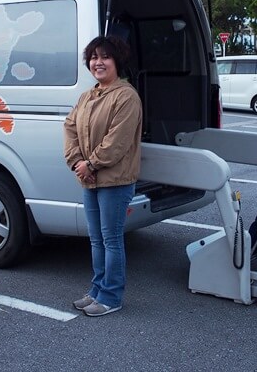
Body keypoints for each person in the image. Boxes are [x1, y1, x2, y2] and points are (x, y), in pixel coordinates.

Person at [64, 35, 143, 317]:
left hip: (115, 181)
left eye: (105, 57)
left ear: (117, 61)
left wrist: (91, 164)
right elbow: (70, 127)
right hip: (89, 178)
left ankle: (111, 296)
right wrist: (76, 161)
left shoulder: (126, 96)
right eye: (94, 57)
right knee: (96, 239)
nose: (98, 62)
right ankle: (97, 289)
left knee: (110, 240)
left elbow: (117, 142)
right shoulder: (88, 95)